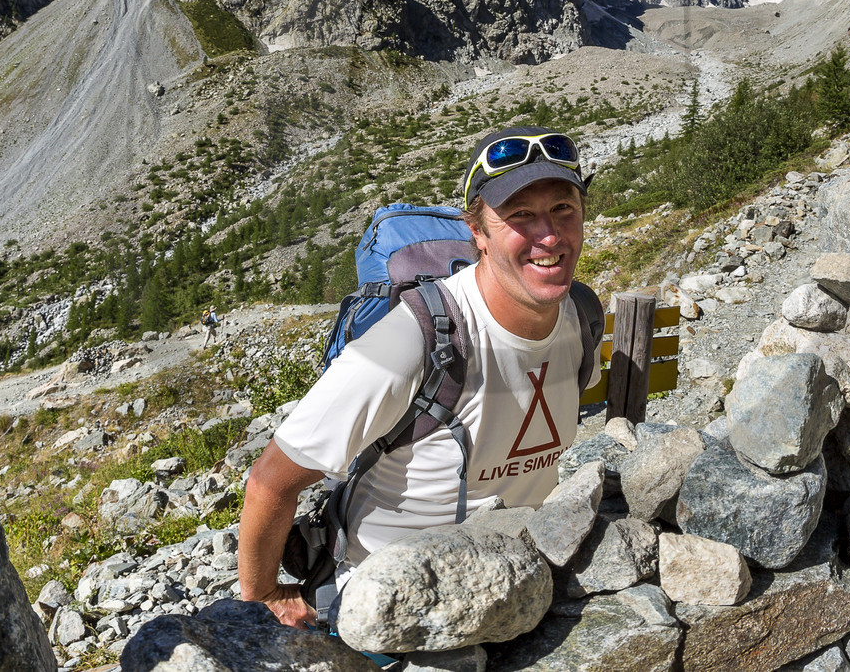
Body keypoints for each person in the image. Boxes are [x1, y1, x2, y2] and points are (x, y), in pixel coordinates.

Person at [238, 127, 596, 629]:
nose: (550, 236)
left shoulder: (580, 315)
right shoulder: (413, 338)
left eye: (564, 209)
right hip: (396, 608)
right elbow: (271, 480)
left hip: (520, 582)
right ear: (479, 232)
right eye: (520, 216)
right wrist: (263, 595)